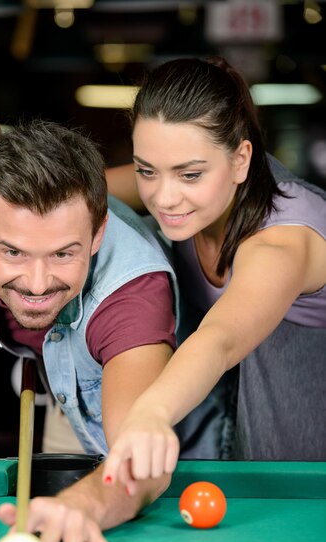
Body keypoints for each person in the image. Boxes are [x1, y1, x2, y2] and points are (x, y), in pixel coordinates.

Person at [0, 117, 180, 542]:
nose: (38, 284)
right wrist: (2, 137)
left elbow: (141, 457)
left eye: (63, 253)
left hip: (180, 442)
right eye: (13, 252)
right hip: (70, 383)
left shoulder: (131, 302)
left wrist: (83, 505)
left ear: (97, 233)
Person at [101, 55, 326, 489]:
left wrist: (150, 413)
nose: (164, 198)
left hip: (312, 469)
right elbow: (80, 184)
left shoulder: (282, 242)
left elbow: (220, 339)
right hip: (245, 449)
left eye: (189, 174)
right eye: (147, 170)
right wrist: (10, 157)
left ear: (241, 159)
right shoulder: (184, 183)